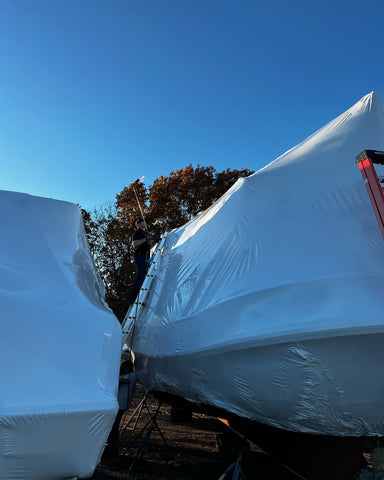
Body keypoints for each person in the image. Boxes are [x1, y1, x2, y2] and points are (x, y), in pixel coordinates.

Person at [126, 218, 151, 305]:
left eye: (144, 221)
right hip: (140, 256)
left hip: (145, 257)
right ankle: (132, 298)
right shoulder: (137, 233)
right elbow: (134, 244)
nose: (145, 223)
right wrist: (145, 239)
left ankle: (140, 296)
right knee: (140, 275)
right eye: (143, 222)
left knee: (144, 276)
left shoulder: (144, 233)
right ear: (138, 225)